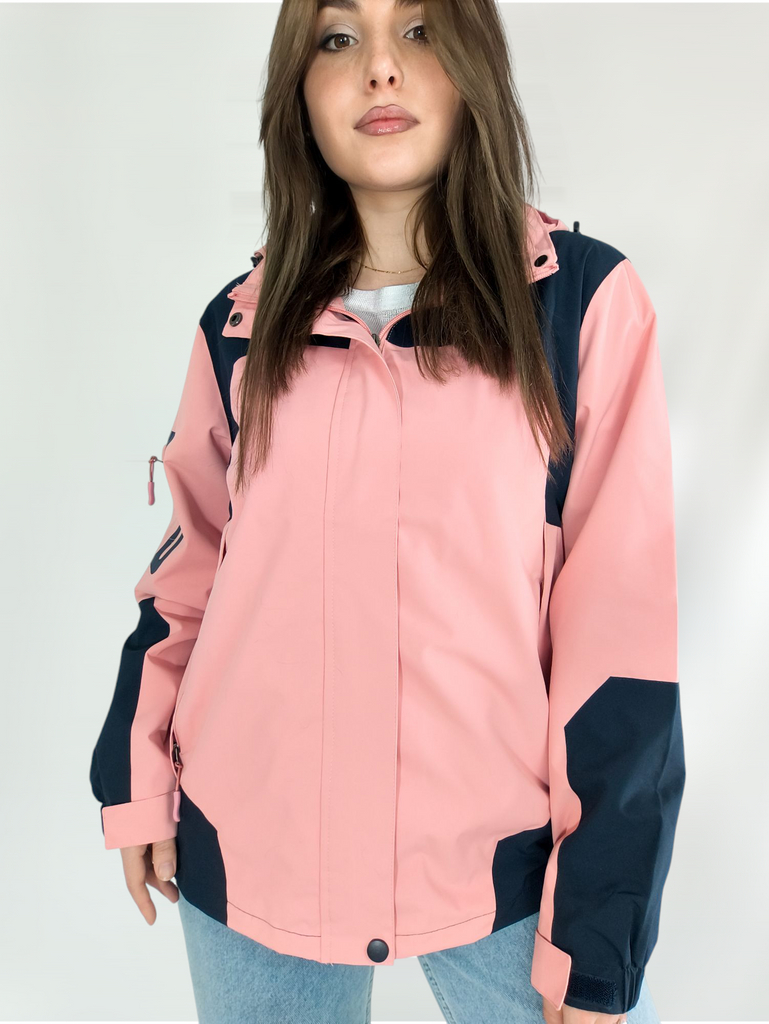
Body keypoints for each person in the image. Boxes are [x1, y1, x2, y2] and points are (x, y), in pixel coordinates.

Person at [89, 1, 685, 1022]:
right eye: (337, 38)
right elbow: (187, 575)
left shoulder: (578, 303)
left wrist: (599, 926)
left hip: (500, 866)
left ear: (472, 66)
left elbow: (619, 637)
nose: (379, 69)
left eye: (417, 31)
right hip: (252, 847)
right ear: (297, 92)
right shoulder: (239, 325)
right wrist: (134, 774)